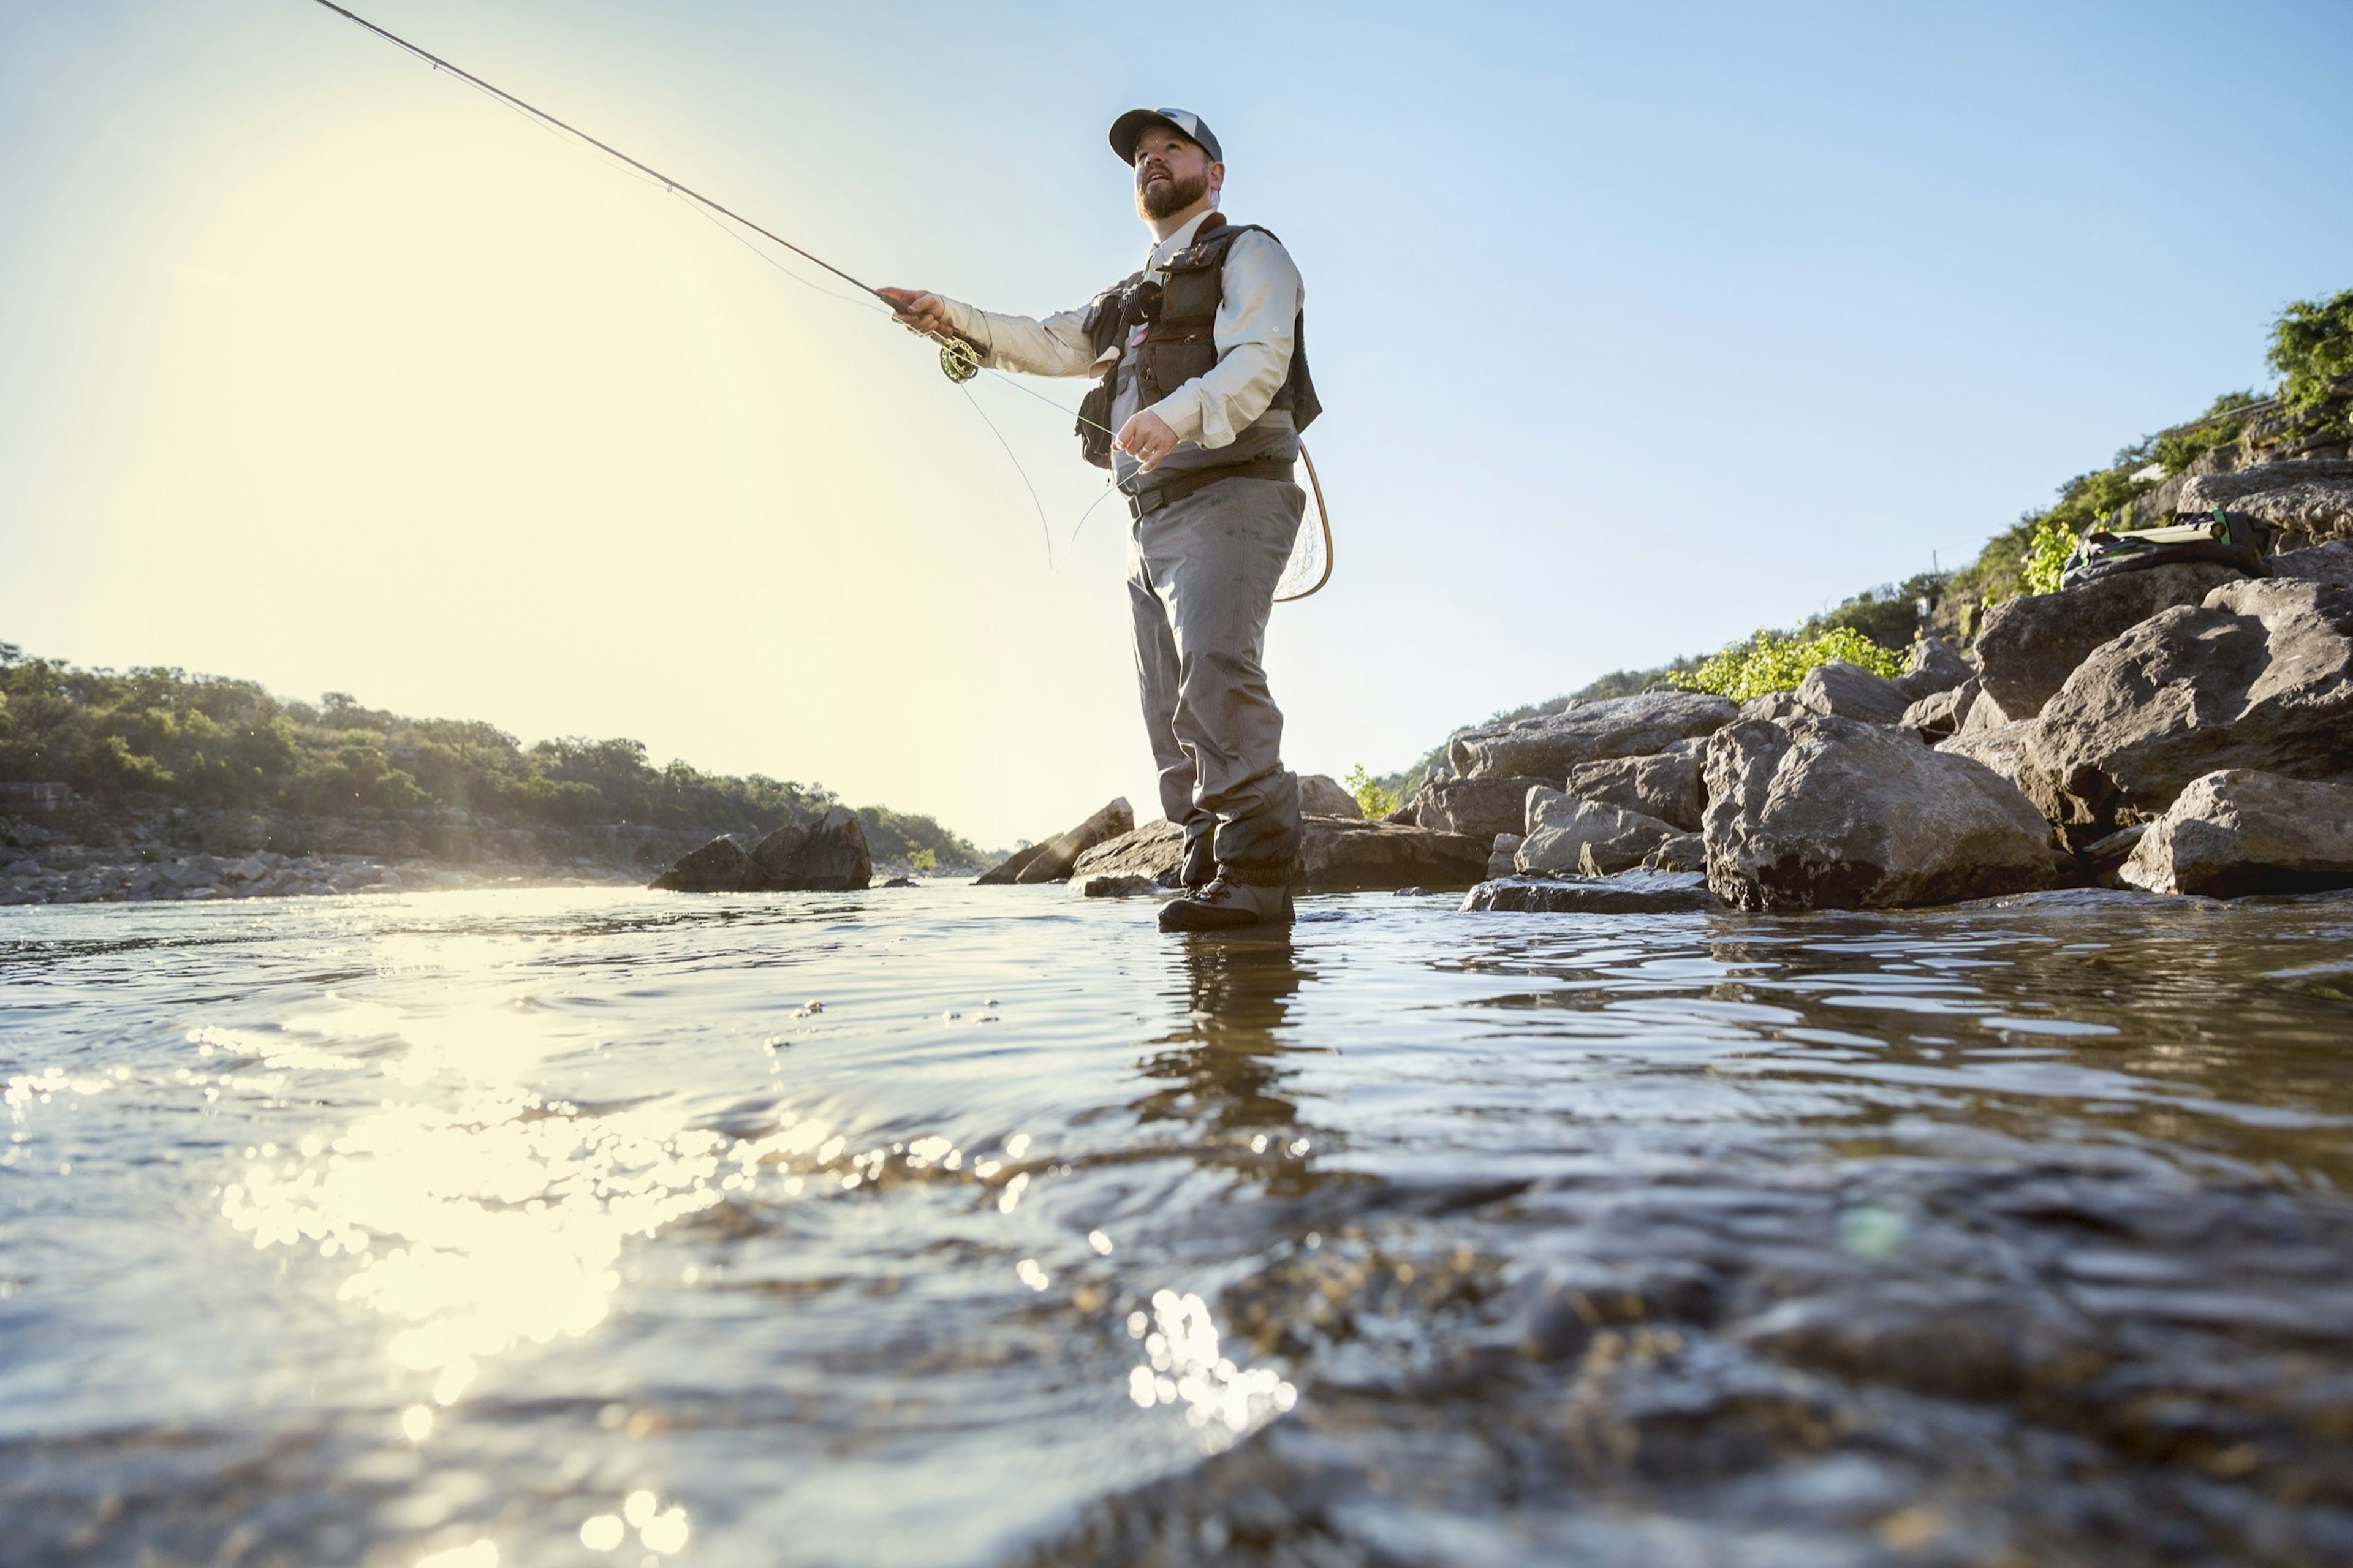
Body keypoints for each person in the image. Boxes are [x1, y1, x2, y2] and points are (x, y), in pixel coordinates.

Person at [882, 108, 1321, 933]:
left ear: (1214, 174)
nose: (1153, 163)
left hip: (1232, 492)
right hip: (1148, 526)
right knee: (1167, 706)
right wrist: (949, 320)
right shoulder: (1126, 298)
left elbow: (1260, 361)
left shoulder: (1252, 252)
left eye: (1173, 150)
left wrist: (1180, 414)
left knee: (1217, 673)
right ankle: (1207, 860)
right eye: (1142, 157)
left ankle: (1257, 876)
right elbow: (1048, 343)